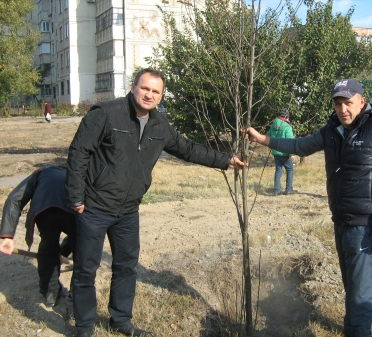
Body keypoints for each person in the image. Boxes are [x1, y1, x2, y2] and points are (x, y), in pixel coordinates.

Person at [65, 68, 246, 337]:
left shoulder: (159, 126)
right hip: (95, 206)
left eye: (155, 91)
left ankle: (121, 321)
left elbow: (187, 148)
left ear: (161, 96)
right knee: (85, 270)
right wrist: (76, 197)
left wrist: (225, 160)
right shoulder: (105, 113)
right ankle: (84, 328)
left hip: (128, 211)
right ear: (133, 87)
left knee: (126, 267)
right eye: (145, 88)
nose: (149, 95)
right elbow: (79, 152)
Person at [246, 79, 372, 337]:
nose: (343, 109)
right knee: (357, 288)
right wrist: (262, 139)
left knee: (359, 296)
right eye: (338, 104)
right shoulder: (332, 130)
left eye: (348, 103)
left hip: (366, 225)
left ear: (361, 100)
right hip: (341, 221)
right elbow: (299, 146)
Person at [0, 165, 76, 308]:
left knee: (48, 247)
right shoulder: (76, 173)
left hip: (44, 211)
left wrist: (7, 236)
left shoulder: (41, 173)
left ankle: (50, 293)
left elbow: (14, 199)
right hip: (73, 211)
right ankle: (77, 296)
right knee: (82, 251)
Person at [266, 108, 296, 195]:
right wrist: (292, 154)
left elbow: (267, 136)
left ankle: (277, 190)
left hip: (276, 152)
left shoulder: (273, 126)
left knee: (278, 170)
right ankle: (289, 189)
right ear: (286, 116)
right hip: (285, 153)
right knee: (289, 169)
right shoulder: (287, 127)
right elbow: (290, 141)